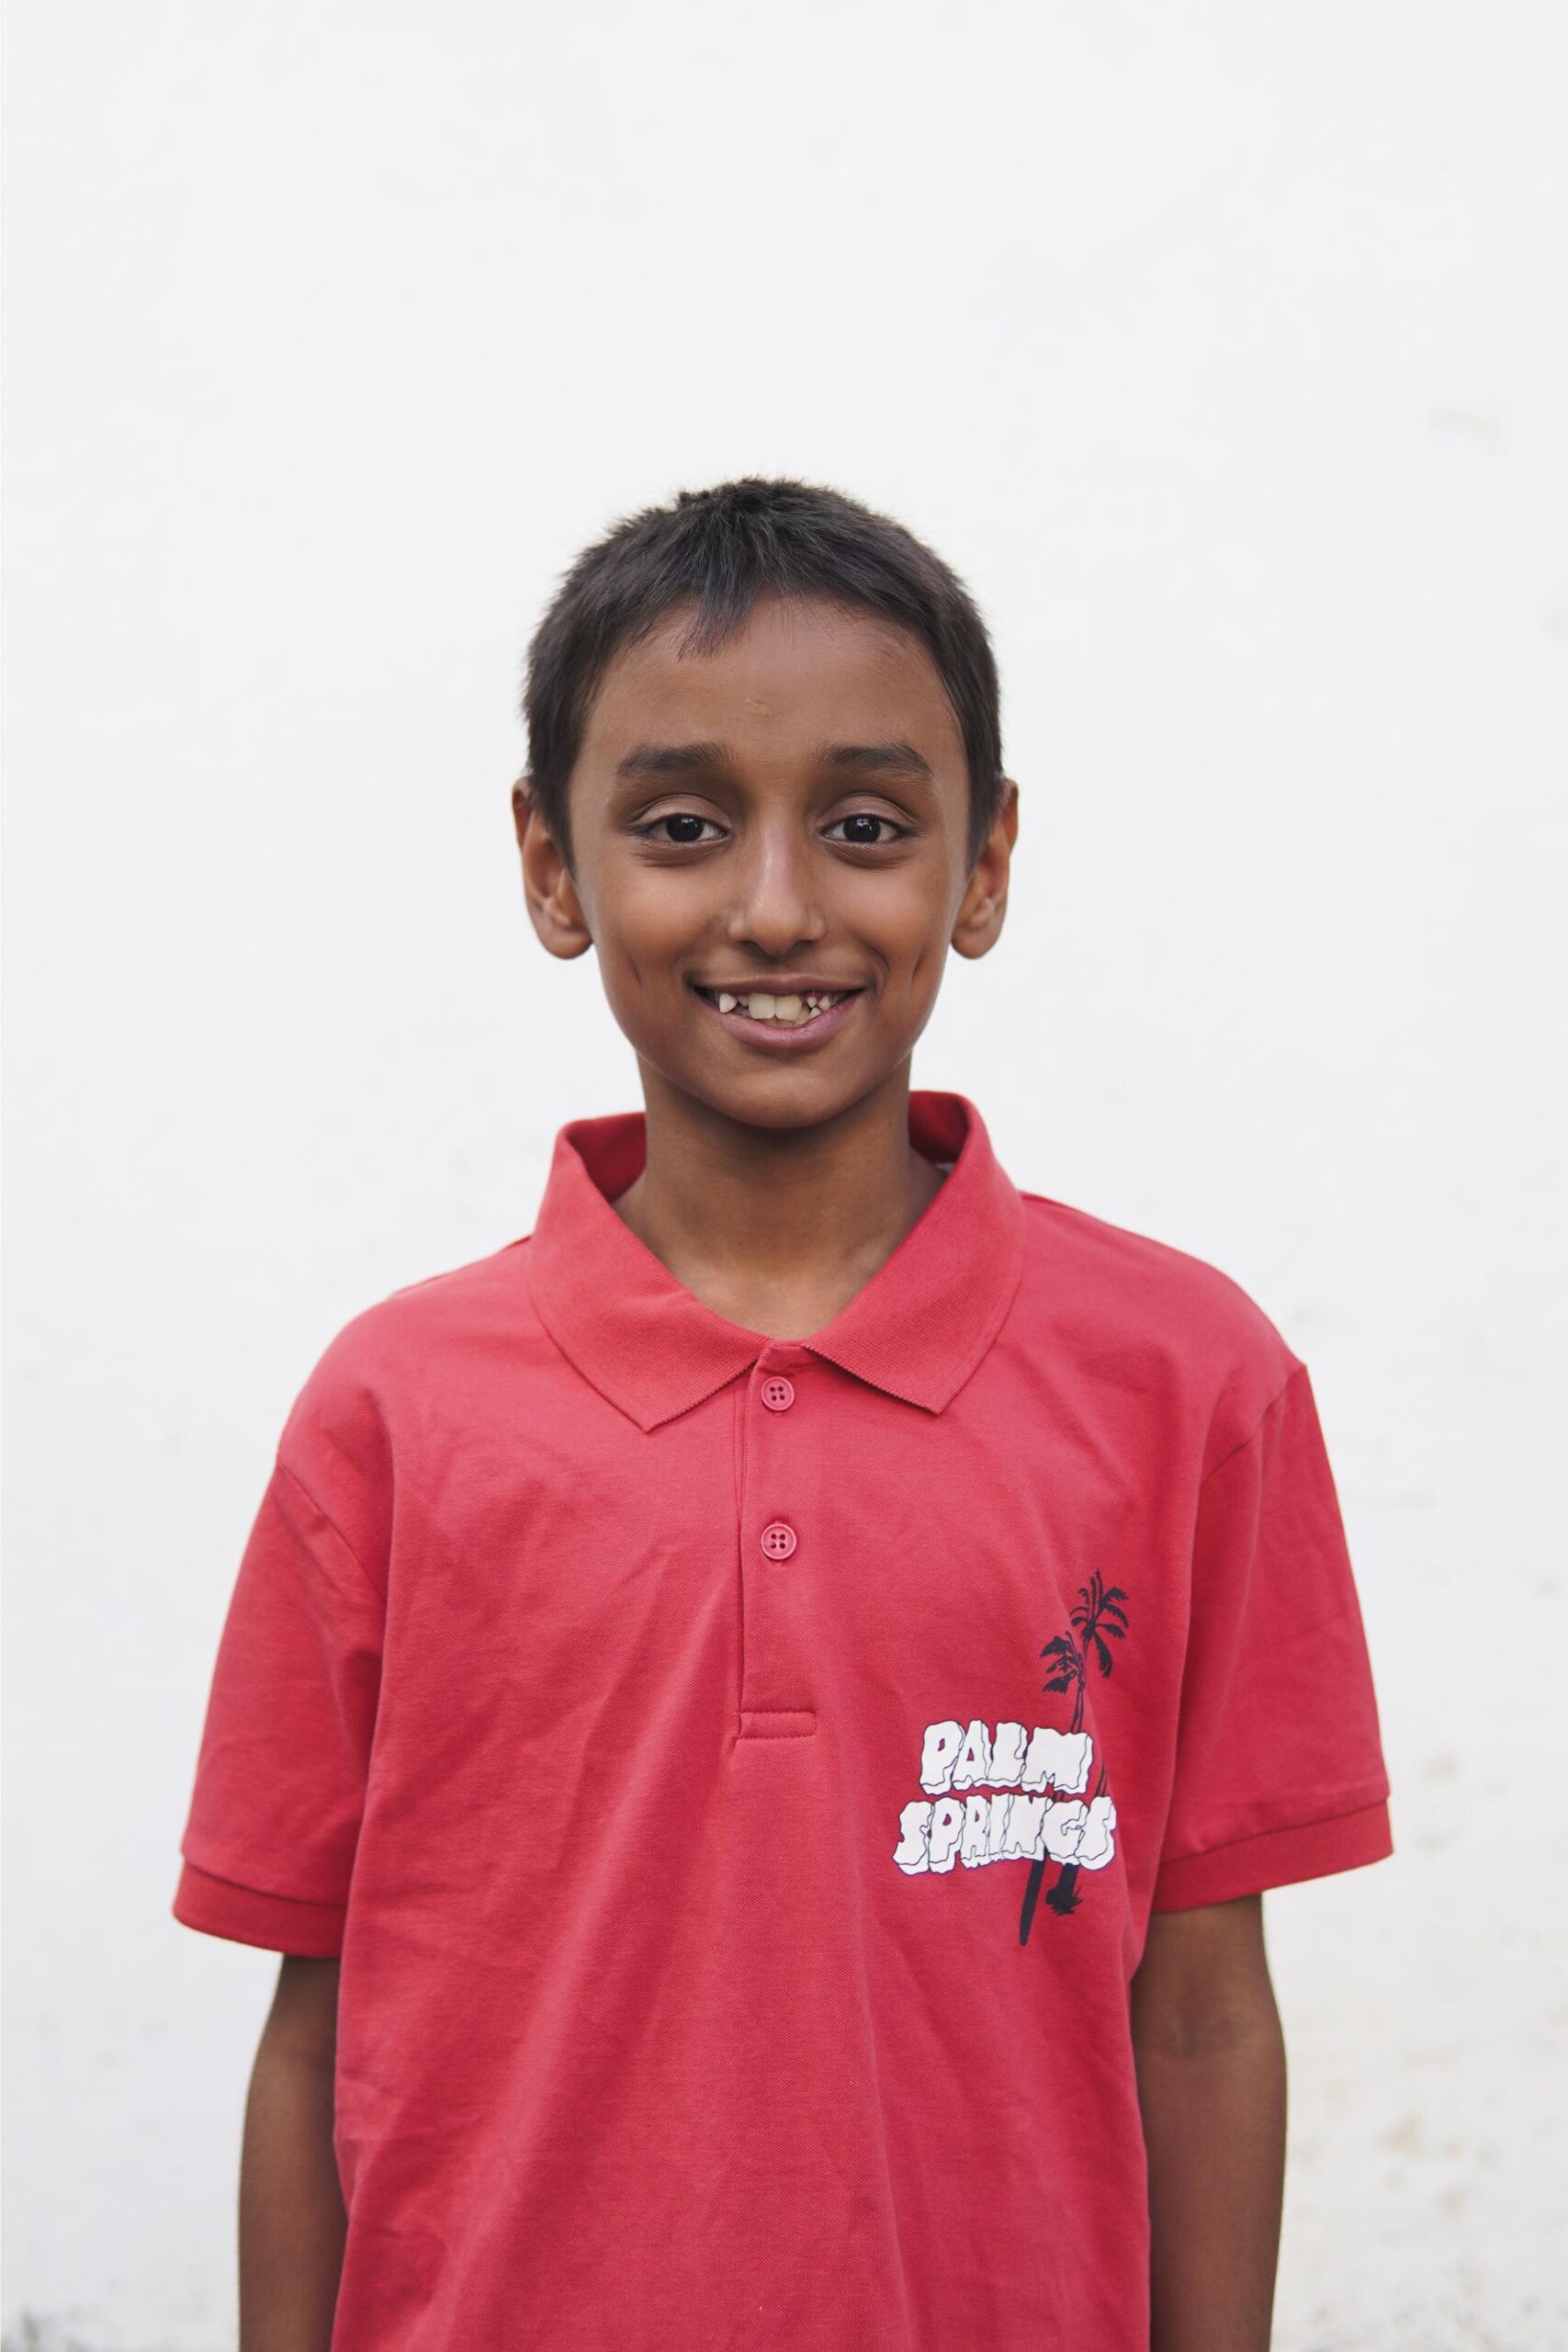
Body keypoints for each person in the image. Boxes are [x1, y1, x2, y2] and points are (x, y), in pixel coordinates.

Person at [172, 476, 1394, 2351]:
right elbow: (317, 2023)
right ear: (551, 865)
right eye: (681, 825)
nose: (774, 905)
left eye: (863, 826)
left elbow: (1206, 2010)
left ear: (982, 864)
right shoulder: (394, 1413)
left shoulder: (1184, 1382)